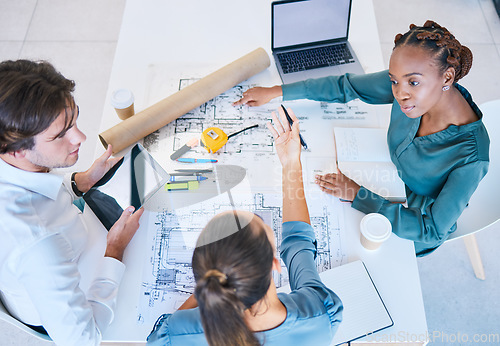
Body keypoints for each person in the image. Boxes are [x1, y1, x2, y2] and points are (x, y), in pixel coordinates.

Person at [233, 20, 490, 256]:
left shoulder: (472, 158)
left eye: (413, 83)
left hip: (409, 220)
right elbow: (346, 86)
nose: (400, 94)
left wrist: (358, 194)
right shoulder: (414, 92)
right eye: (394, 81)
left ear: (447, 77)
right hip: (385, 180)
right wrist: (277, 91)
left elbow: (432, 230)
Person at [147, 107, 343, 345]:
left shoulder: (177, 333)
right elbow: (298, 243)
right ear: (274, 263)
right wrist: (292, 162)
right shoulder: (320, 311)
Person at [0, 59, 144, 345]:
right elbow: (82, 340)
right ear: (16, 151)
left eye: (74, 120)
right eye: (59, 135)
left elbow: (44, 194)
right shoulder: (36, 243)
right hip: (76, 293)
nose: (80, 137)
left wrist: (82, 181)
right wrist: (115, 250)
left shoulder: (15, 162)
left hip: (71, 248)